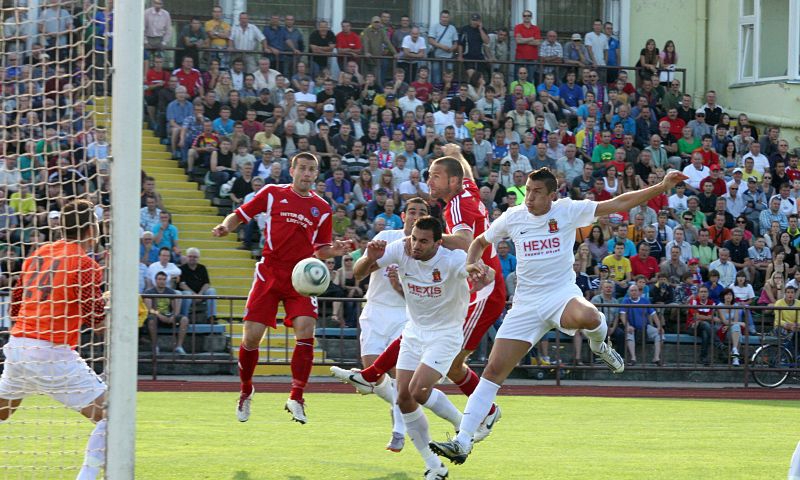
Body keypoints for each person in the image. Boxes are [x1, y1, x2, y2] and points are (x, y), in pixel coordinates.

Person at [430, 168, 686, 464]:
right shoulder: (514, 215)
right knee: (492, 372)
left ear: (553, 195)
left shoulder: (567, 210)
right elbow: (478, 242)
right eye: (528, 190)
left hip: (560, 296)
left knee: (589, 317)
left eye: (537, 192)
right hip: (525, 305)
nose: (530, 197)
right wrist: (471, 265)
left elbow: (618, 203)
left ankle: (599, 346)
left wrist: (662, 186)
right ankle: (462, 443)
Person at [334, 147, 506, 441]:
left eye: (435, 176)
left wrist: (419, 240)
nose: (429, 182)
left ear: (451, 182)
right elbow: (465, 172)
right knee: (424, 329)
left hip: (481, 288)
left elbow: (465, 241)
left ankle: (486, 411)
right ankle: (373, 373)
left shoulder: (455, 207)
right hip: (475, 283)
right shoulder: (465, 191)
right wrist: (457, 154)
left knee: (447, 361)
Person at [212, 152, 351, 424]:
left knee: (306, 329)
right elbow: (240, 214)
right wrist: (225, 227)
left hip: (301, 276)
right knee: (252, 337)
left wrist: (334, 250)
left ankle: (296, 396)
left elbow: (321, 249)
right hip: (270, 272)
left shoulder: (322, 208)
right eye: (303, 168)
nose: (307, 174)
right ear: (292, 170)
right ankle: (245, 389)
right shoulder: (273, 192)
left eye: (312, 170)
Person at [351, 215, 491, 480]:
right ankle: (434, 466)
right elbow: (358, 274)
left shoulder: (451, 260)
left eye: (423, 241)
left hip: (445, 335)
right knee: (403, 397)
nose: (415, 245)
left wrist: (479, 270)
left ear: (438, 243)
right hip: (414, 333)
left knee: (418, 390)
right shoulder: (400, 248)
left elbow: (472, 266)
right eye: (414, 238)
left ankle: (463, 426)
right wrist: (369, 258)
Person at [2, 200, 108, 480]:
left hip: (18, 347)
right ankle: (86, 476)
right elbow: (97, 322)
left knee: (1, 414)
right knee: (114, 415)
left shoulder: (37, 254)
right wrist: (112, 305)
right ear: (91, 230)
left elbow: (14, 309)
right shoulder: (85, 263)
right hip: (51, 352)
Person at [331, 198, 430, 452]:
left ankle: (398, 430)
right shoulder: (387, 236)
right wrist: (371, 256)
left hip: (404, 314)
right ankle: (402, 407)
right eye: (412, 212)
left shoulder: (428, 251)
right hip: (374, 309)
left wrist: (400, 287)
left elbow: (421, 296)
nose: (415, 216)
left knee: (400, 375)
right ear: (403, 215)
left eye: (422, 213)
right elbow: (359, 272)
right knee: (372, 373)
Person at [144, 271, 189, 355]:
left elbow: (176, 308)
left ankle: (179, 346)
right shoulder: (149, 292)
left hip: (168, 316)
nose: (162, 281)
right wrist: (160, 315)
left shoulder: (171, 292)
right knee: (151, 321)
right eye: (160, 279)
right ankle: (155, 346)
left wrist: (173, 316)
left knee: (184, 320)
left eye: (164, 279)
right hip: (156, 316)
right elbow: (150, 309)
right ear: (155, 280)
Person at [178, 247, 217, 323]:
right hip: (188, 293)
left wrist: (200, 294)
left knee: (212, 291)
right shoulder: (181, 268)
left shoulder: (202, 268)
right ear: (186, 257)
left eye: (195, 257)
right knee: (187, 294)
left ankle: (211, 318)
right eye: (190, 256)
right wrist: (194, 295)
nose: (192, 258)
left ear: (198, 258)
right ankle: (184, 319)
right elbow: (182, 285)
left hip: (200, 294)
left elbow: (206, 283)